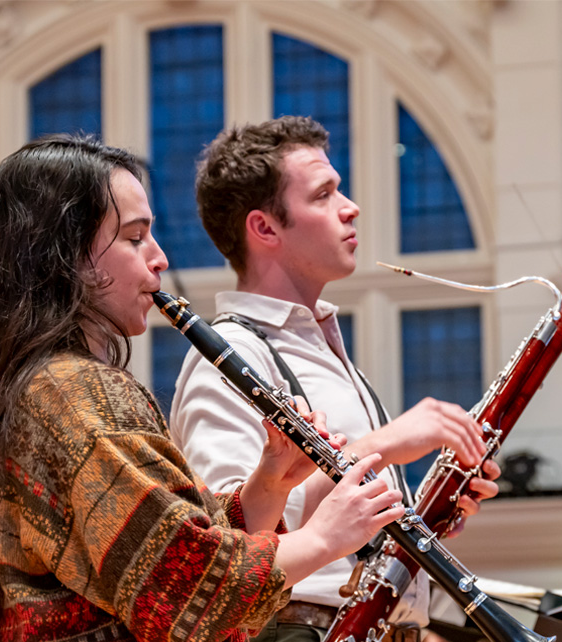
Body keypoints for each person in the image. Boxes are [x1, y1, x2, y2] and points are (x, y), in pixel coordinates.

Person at [0, 134, 404, 642]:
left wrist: (267, 485)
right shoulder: (75, 393)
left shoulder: (41, 385)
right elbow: (183, 590)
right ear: (66, 256)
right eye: (135, 239)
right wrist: (324, 538)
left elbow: (162, 541)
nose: (158, 258)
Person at [170, 116, 499, 641]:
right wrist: (383, 446)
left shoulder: (323, 348)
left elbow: (346, 519)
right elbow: (234, 537)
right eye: (323, 195)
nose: (350, 207)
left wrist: (426, 515)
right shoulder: (231, 357)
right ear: (265, 228)